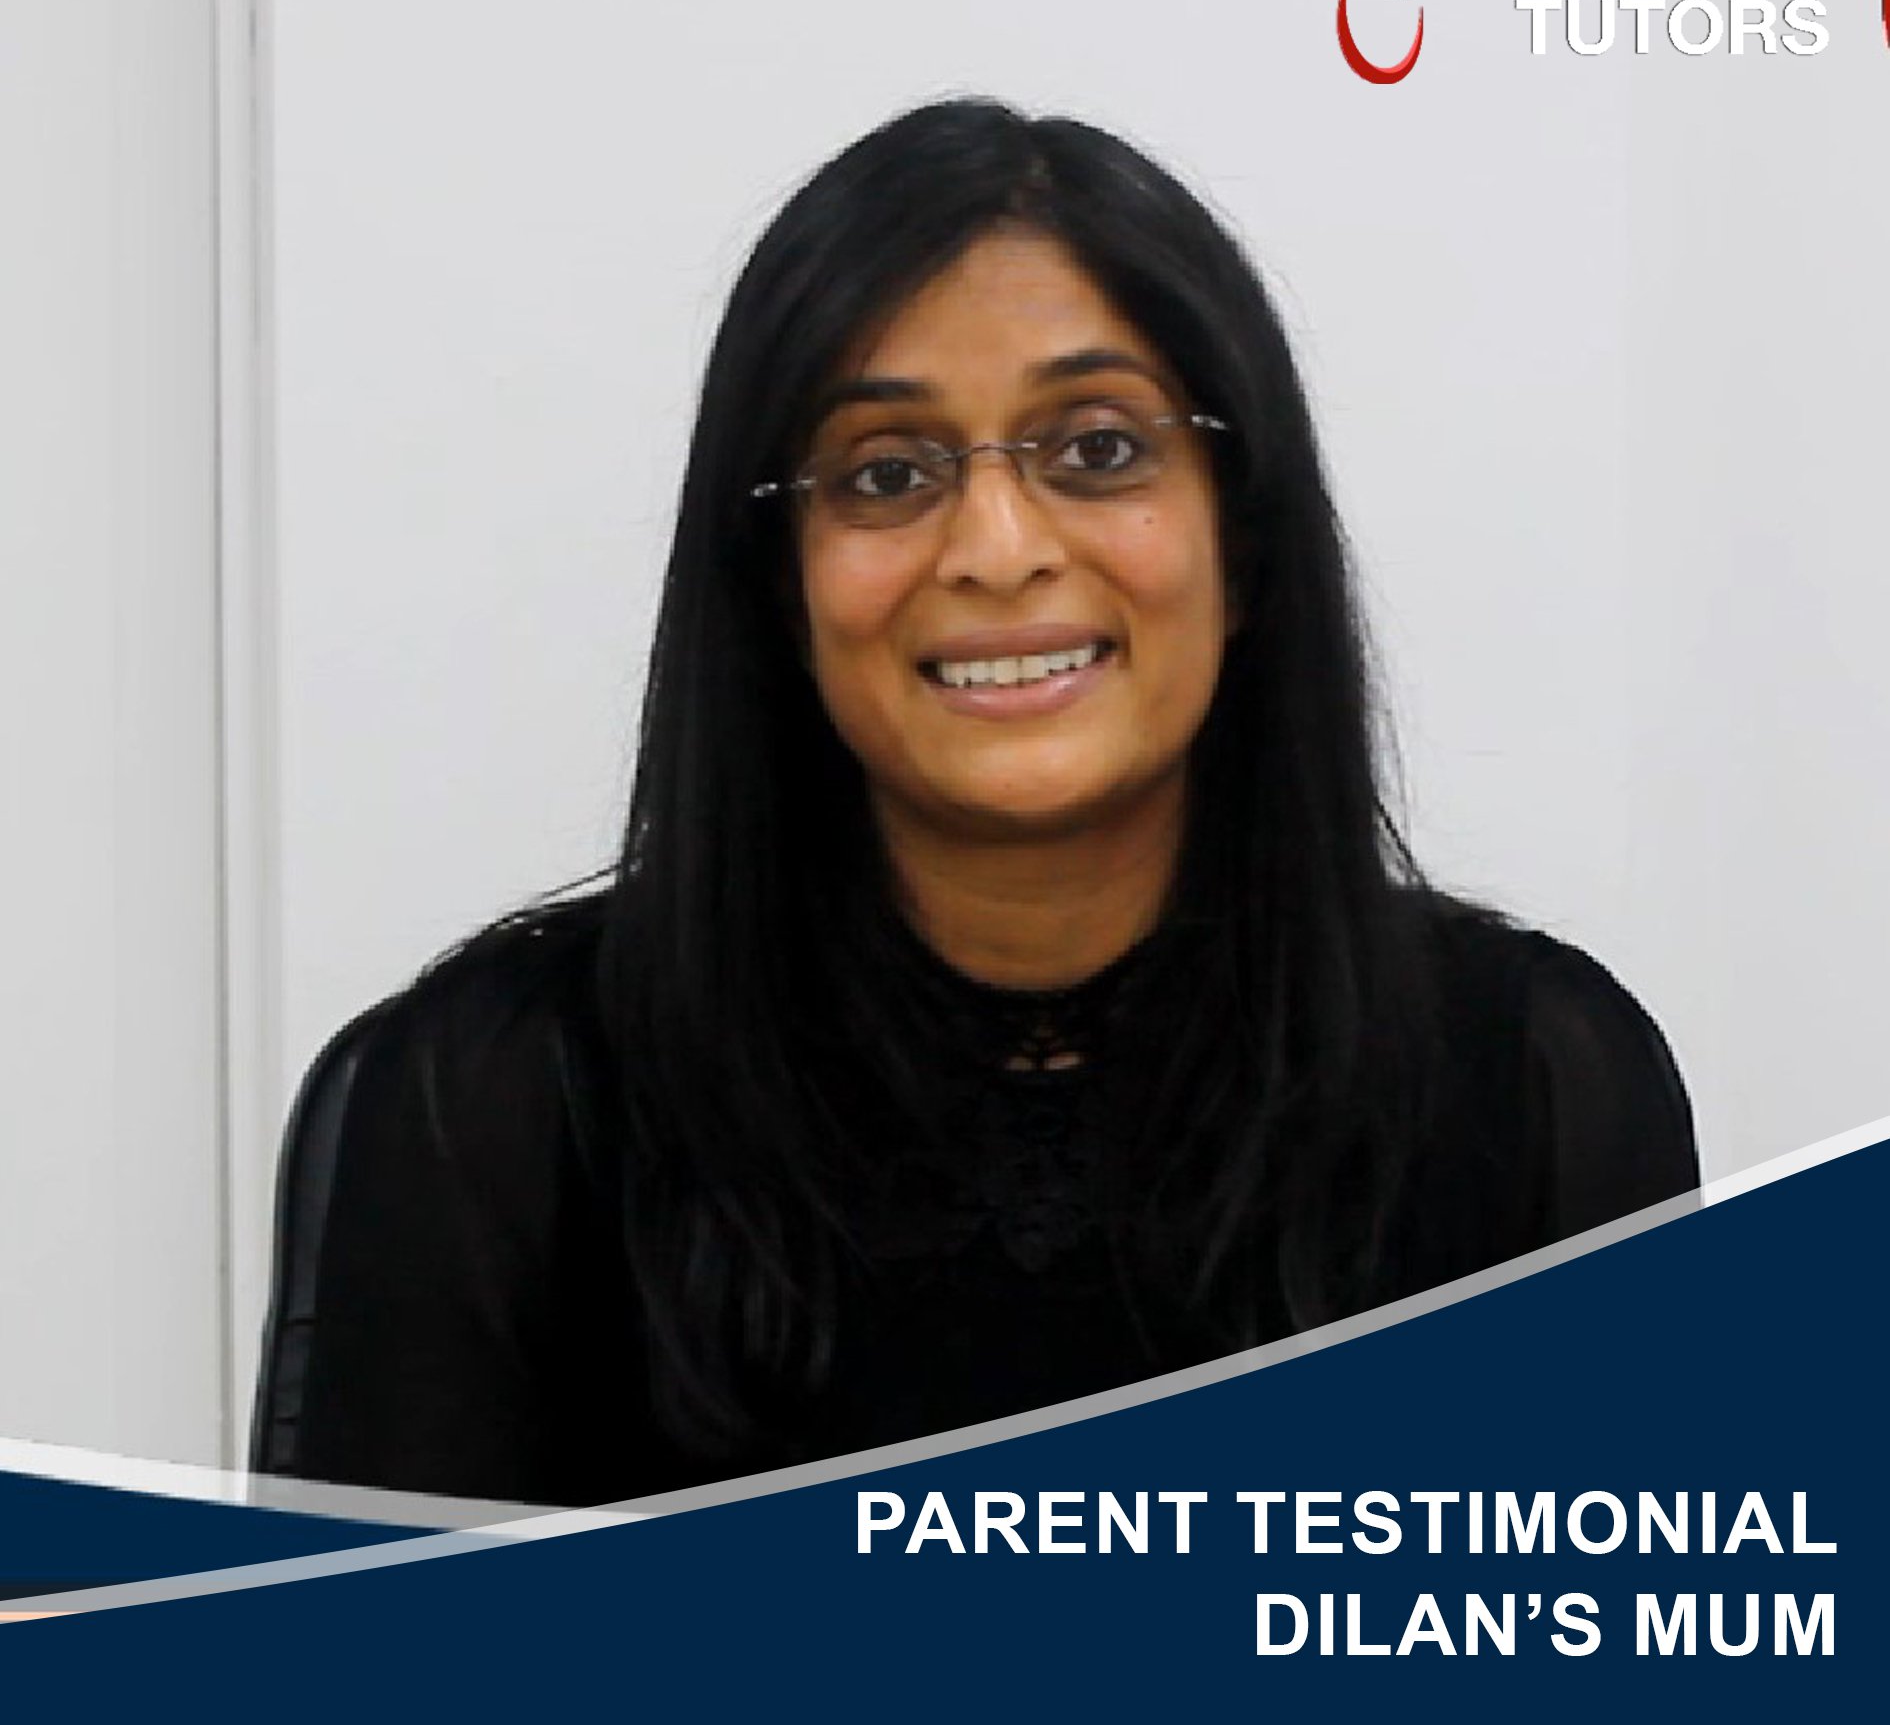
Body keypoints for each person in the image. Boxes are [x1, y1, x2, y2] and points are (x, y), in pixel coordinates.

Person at [250, 98, 1698, 1508]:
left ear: (1243, 539)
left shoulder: (1537, 1089)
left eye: (1098, 450)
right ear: (780, 585)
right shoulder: (496, 1108)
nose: (997, 549)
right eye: (886, 473)